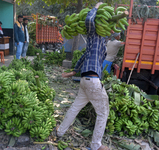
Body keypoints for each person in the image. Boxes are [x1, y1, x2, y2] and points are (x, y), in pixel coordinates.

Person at [56, 2, 110, 150]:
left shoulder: (100, 44)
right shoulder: (95, 36)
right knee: (103, 112)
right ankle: (95, 145)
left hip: (85, 81)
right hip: (92, 82)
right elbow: (88, 21)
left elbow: (84, 57)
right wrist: (97, 7)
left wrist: (73, 72)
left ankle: (60, 132)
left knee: (75, 108)